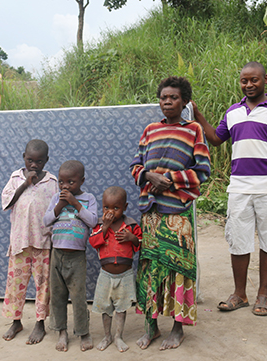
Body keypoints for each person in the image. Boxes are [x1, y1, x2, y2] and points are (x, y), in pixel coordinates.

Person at [192, 61, 267, 316]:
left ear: (265, 79)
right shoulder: (233, 112)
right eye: (244, 80)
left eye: (254, 80)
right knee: (238, 238)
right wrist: (199, 117)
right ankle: (239, 294)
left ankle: (263, 293)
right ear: (240, 82)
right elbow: (216, 139)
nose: (249, 84)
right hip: (240, 186)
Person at [130, 76, 211, 350]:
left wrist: (172, 180)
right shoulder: (150, 130)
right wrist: (149, 175)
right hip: (151, 214)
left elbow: (203, 170)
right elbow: (135, 165)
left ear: (185, 101)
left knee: (178, 268)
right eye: (163, 97)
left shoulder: (193, 131)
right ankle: (150, 327)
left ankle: (178, 328)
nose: (167, 101)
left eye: (173, 97)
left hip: (177, 214)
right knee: (150, 268)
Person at [1, 139, 58, 344]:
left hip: (43, 242)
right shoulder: (16, 177)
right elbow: (6, 202)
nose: (34, 165)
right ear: (23, 157)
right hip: (19, 241)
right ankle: (16, 321)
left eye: (39, 161)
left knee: (43, 284)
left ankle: (40, 323)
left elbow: (56, 210)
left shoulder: (52, 182)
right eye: (30, 160)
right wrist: (25, 184)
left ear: (46, 161)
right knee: (16, 283)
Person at [43, 160, 98, 352]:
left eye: (71, 182)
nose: (65, 186)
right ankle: (62, 332)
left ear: (82, 181)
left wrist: (75, 203)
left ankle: (83, 332)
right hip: (57, 254)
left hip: (77, 257)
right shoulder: (56, 198)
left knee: (78, 296)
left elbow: (92, 222)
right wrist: (60, 205)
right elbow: (46, 220)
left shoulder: (88, 198)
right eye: (61, 182)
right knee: (57, 296)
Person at [89, 186, 142, 352]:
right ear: (102, 206)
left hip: (125, 275)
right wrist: (105, 227)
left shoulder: (131, 225)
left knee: (121, 307)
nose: (110, 212)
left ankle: (118, 336)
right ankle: (107, 336)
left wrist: (131, 238)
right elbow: (93, 242)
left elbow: (140, 245)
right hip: (105, 274)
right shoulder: (99, 225)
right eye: (106, 207)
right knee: (106, 308)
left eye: (116, 208)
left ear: (125, 207)